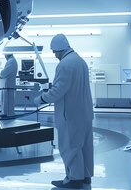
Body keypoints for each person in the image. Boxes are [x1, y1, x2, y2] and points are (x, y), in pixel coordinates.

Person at [34, 34, 94, 189]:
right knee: (84, 146)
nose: (55, 55)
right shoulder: (80, 61)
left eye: (54, 52)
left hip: (71, 115)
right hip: (85, 113)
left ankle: (74, 179)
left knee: (70, 147)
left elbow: (58, 90)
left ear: (59, 50)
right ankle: (85, 176)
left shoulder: (65, 64)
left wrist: (41, 99)